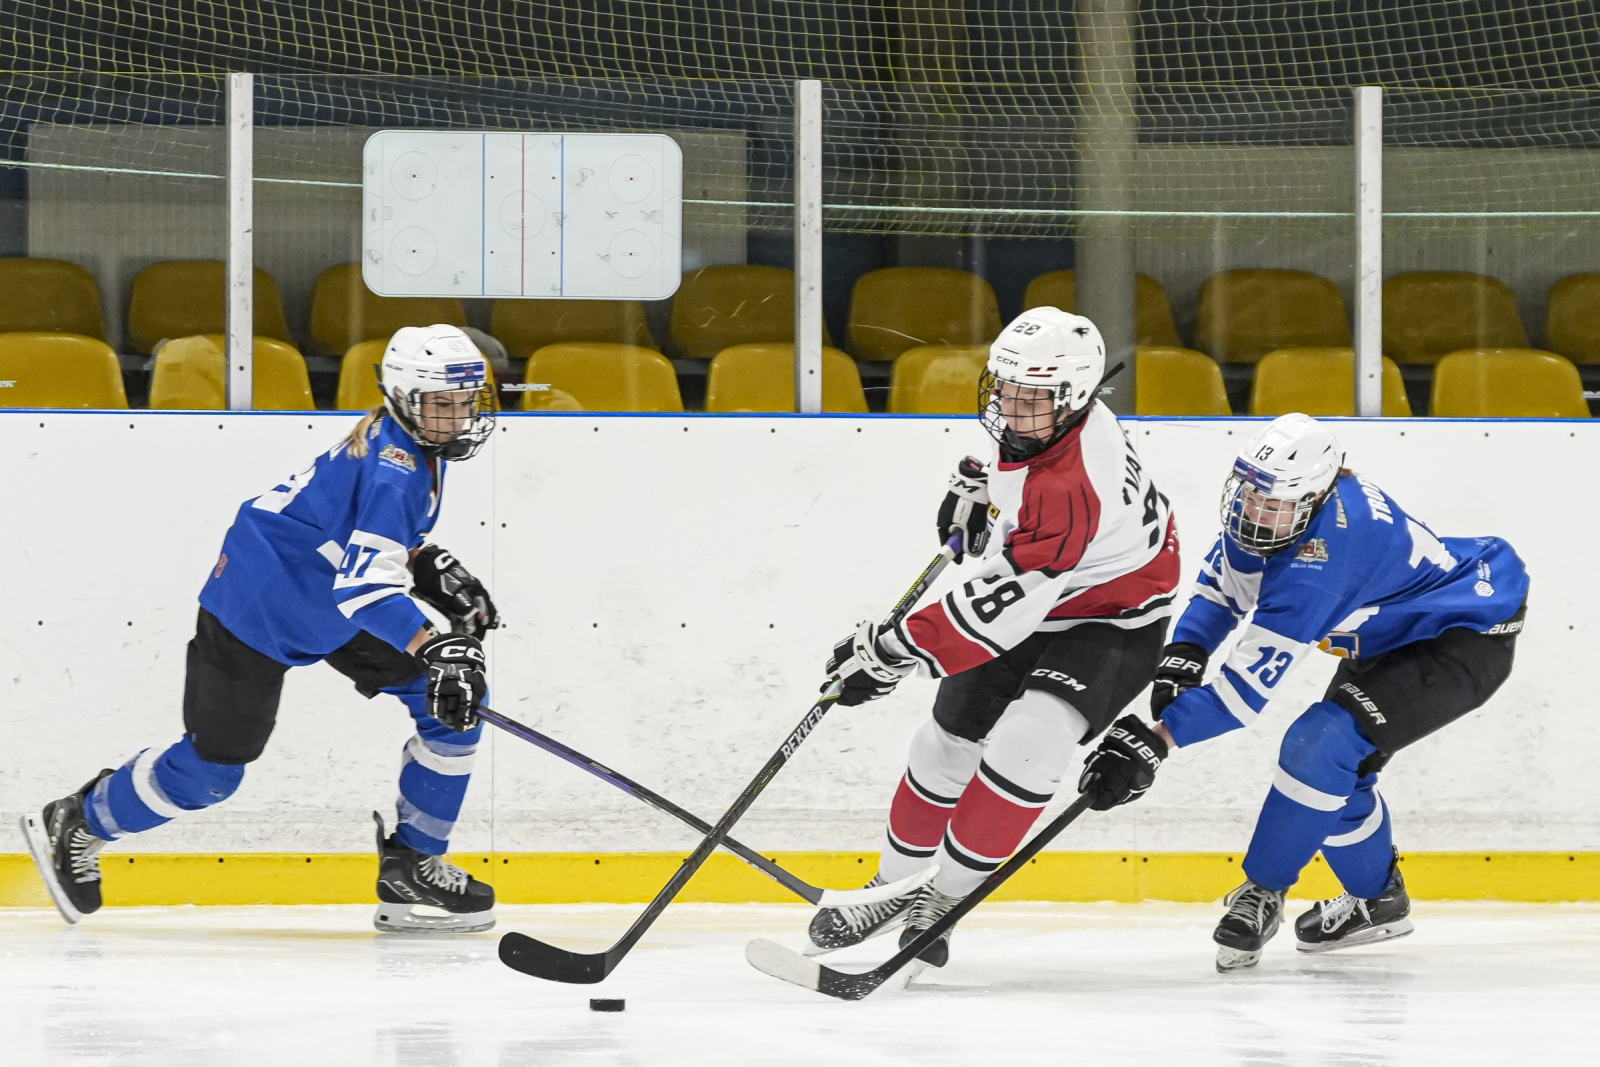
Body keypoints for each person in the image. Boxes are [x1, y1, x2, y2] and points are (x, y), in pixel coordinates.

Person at [21, 324, 504, 933]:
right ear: (404, 398)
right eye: (441, 404)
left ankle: (413, 865)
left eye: (465, 402)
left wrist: (423, 561)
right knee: (211, 774)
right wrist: (437, 645)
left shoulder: (412, 442)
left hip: (325, 601)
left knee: (453, 705)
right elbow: (365, 587)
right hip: (259, 604)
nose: (458, 418)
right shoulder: (396, 467)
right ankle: (80, 820)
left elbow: (350, 534)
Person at [1080, 413, 1529, 971]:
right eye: (1249, 495)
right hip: (1393, 633)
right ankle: (1377, 900)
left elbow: (1241, 696)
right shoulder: (1282, 511)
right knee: (1337, 772)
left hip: (1461, 636)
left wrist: (1154, 741)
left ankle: (1262, 891)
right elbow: (1225, 587)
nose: (1254, 513)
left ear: (1316, 499)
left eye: (1271, 504)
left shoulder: (1325, 560)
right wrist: (1187, 652)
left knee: (1318, 747)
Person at [812, 306, 1181, 967]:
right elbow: (1021, 467)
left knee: (1028, 744)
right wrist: (980, 483)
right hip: (1050, 589)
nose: (1011, 406)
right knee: (943, 743)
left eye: (1029, 397)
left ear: (1073, 397)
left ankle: (944, 899)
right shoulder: (1055, 421)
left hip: (1114, 616)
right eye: (1005, 388)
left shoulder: (1073, 487)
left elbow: (1000, 604)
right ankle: (891, 888)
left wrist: (892, 650)